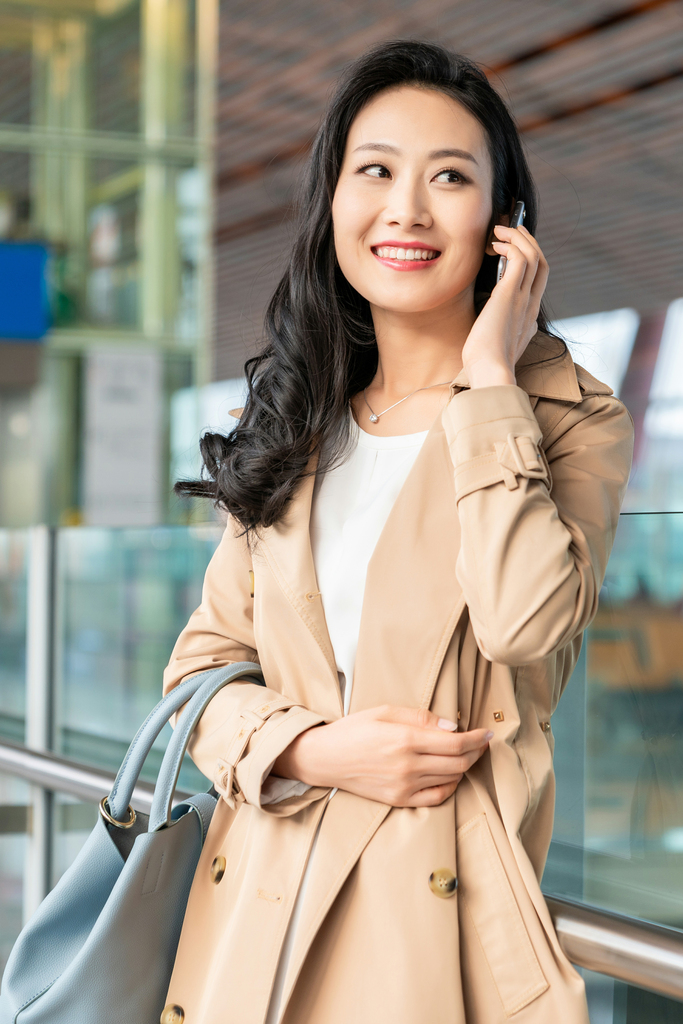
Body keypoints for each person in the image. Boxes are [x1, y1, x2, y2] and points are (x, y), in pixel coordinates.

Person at [162, 40, 633, 1024]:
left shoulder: (564, 417)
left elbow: (524, 627)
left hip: (428, 946)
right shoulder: (296, 419)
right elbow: (199, 671)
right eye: (373, 170)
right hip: (254, 922)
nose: (406, 211)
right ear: (332, 201)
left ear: (503, 226)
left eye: (449, 177)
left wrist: (490, 380)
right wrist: (312, 750)